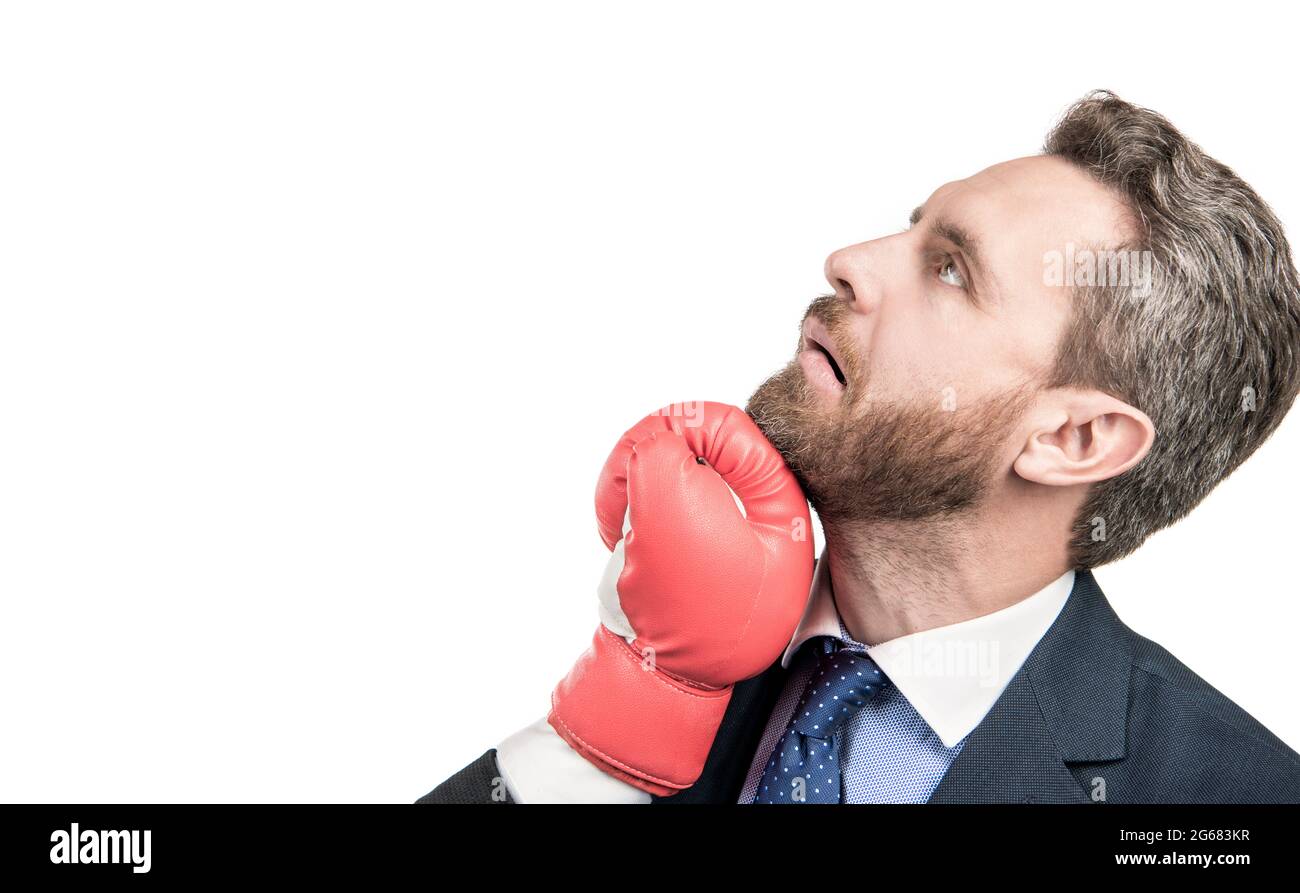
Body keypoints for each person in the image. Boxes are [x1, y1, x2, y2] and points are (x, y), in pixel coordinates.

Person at [416, 90, 1300, 804]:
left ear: (1072, 437)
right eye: (913, 229)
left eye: (950, 267)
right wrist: (617, 724)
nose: (849, 260)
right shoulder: (684, 656)